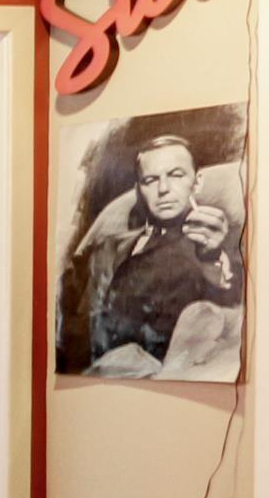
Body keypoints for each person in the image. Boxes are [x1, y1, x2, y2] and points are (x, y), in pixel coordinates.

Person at [87, 133, 243, 373]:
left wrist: (211, 256)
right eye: (150, 180)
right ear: (139, 189)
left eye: (176, 175)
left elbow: (229, 297)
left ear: (197, 182)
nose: (163, 189)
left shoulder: (216, 238)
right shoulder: (110, 245)